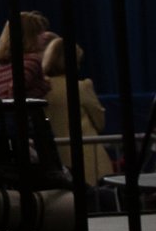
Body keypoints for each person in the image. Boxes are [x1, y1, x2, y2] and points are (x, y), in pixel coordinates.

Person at [43, 38, 110, 185]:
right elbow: (100, 122)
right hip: (87, 158)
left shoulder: (41, 90)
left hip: (57, 159)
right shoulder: (81, 87)